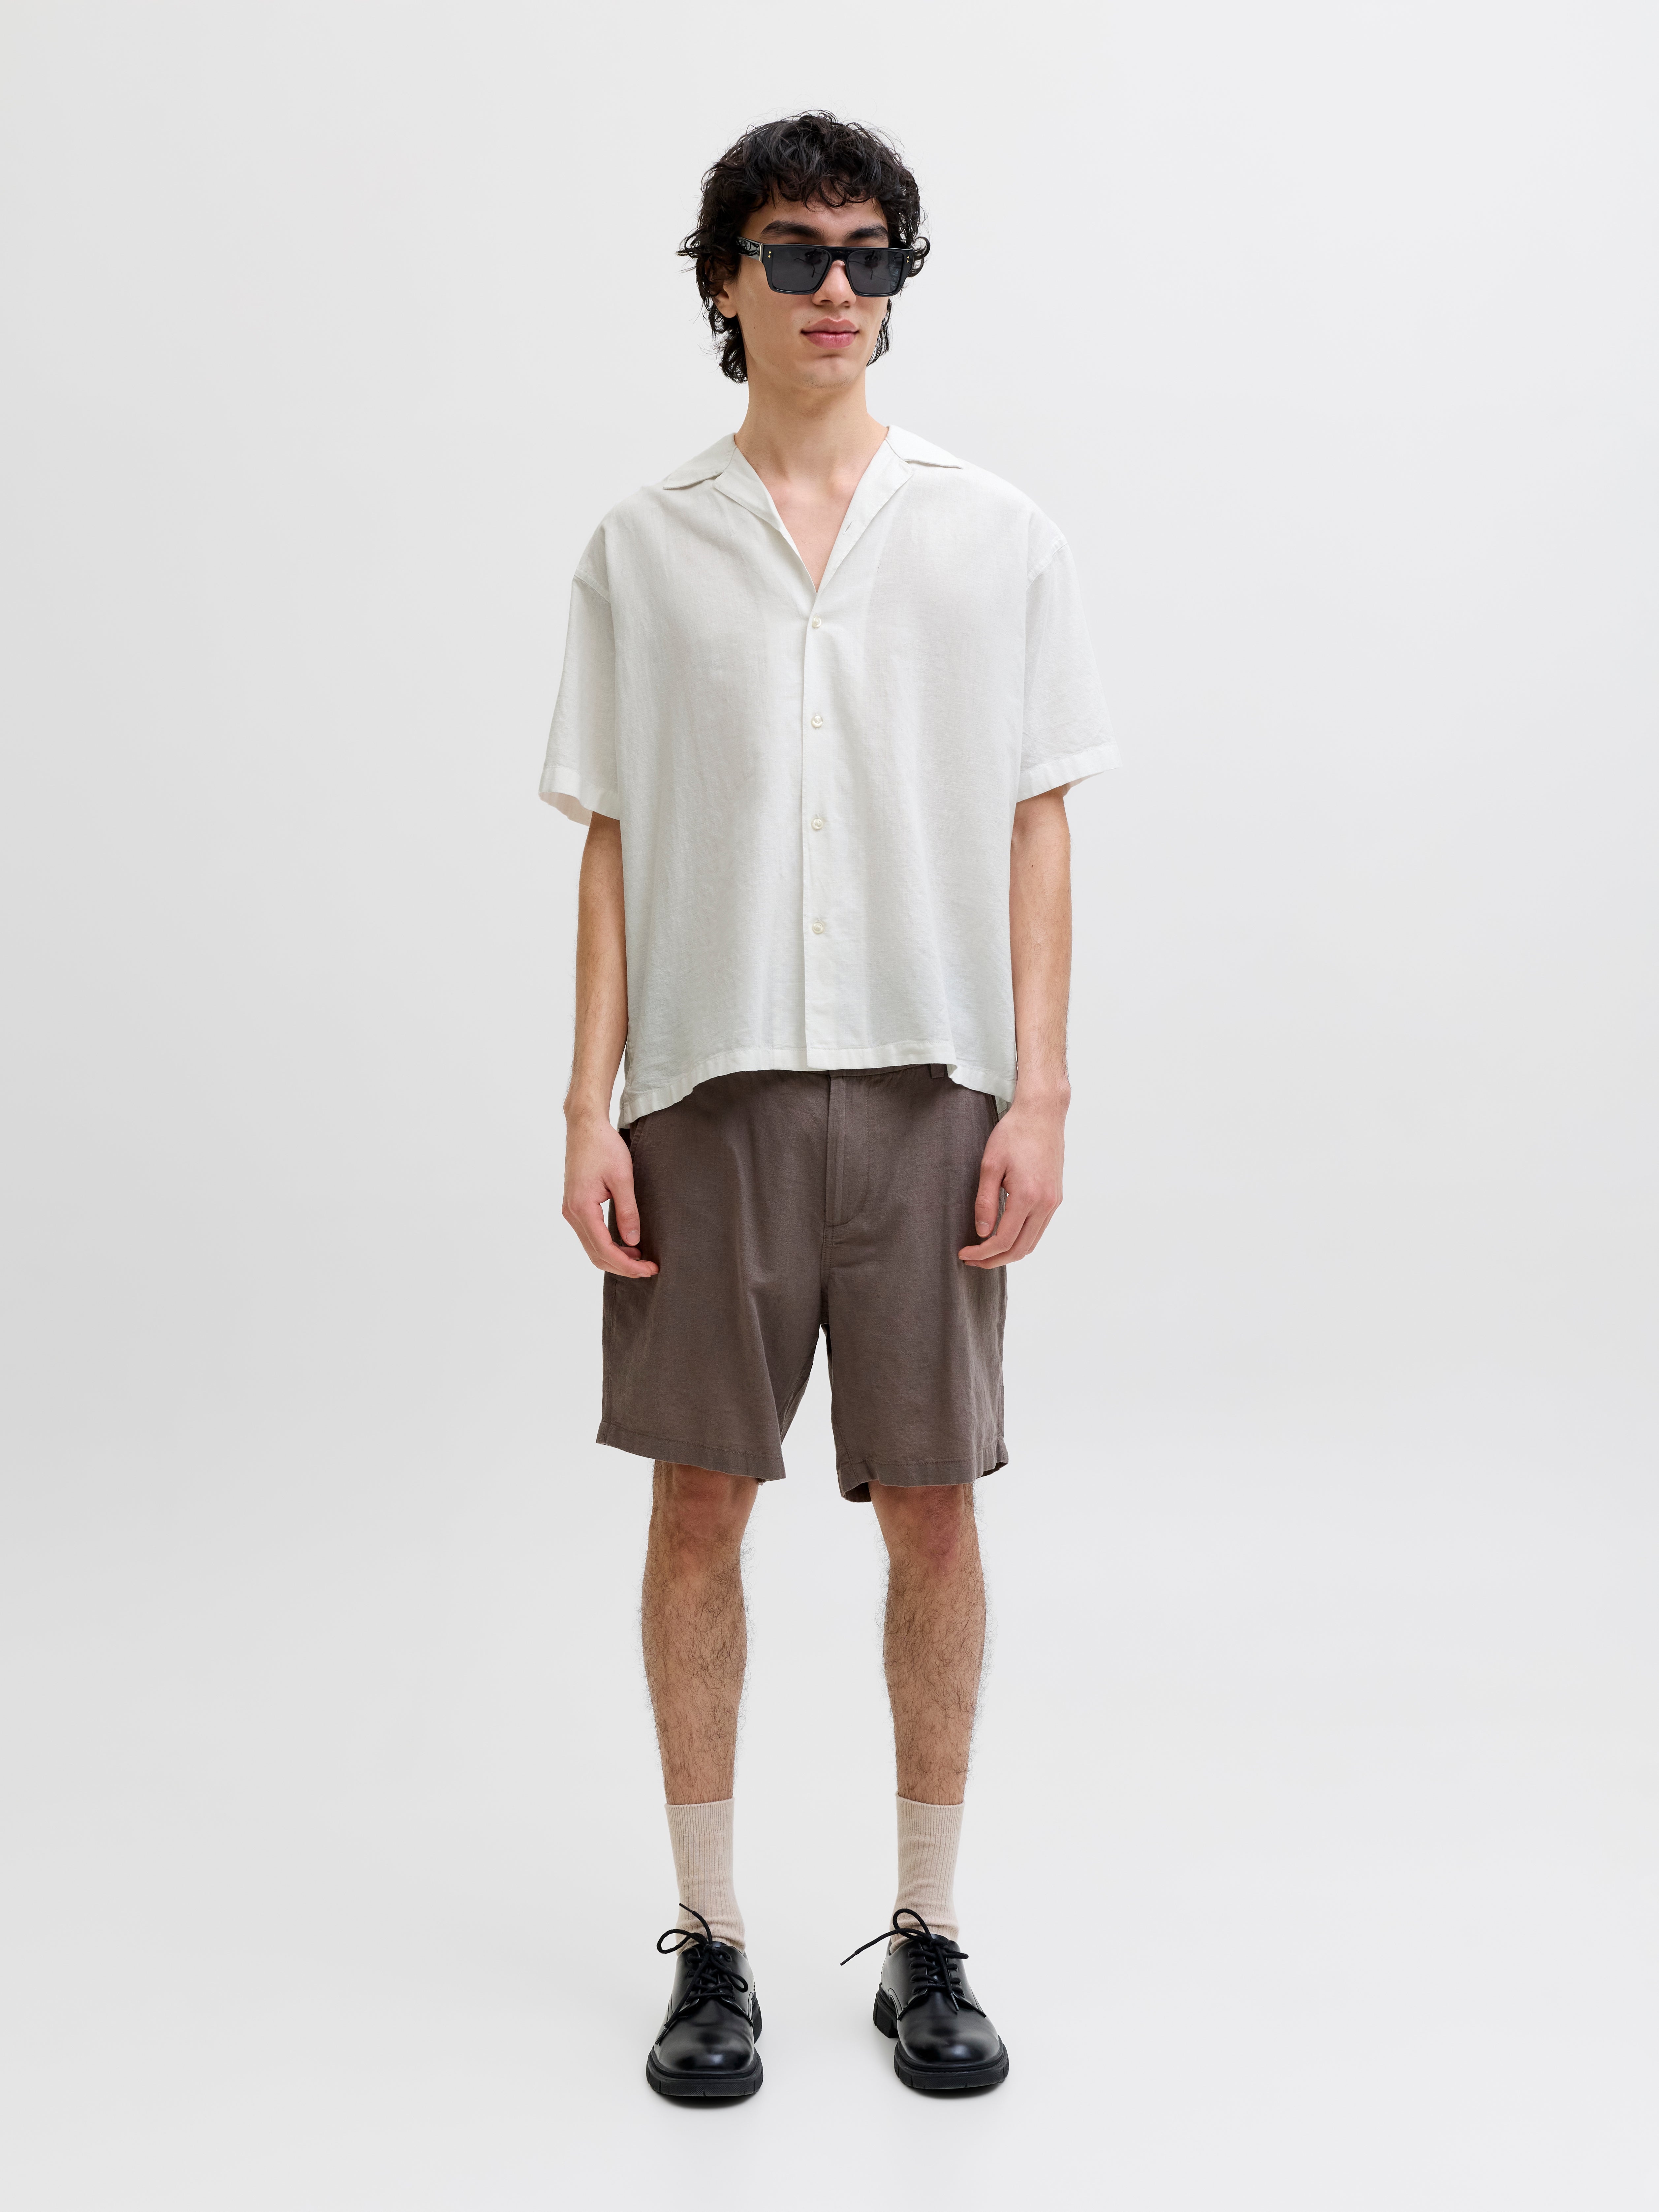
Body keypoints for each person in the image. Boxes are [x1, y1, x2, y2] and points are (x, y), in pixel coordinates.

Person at [542, 111, 1113, 2100]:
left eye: (872, 256)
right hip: (704, 1089)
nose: (838, 290)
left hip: (932, 1087)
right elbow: (613, 838)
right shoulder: (641, 548)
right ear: (726, 283)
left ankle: (926, 1933)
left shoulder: (995, 534)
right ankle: (709, 1941)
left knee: (935, 1508)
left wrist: (1043, 1092)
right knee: (698, 1500)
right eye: (795, 255)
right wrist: (585, 1104)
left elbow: (1039, 821)